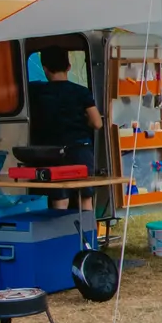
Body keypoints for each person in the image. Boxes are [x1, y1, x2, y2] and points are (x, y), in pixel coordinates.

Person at [28, 46, 103, 209]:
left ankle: (62, 233)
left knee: (59, 199)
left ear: (45, 68)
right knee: (85, 197)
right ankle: (88, 234)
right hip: (80, 148)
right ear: (69, 67)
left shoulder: (37, 93)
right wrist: (85, 123)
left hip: (53, 151)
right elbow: (97, 123)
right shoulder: (82, 92)